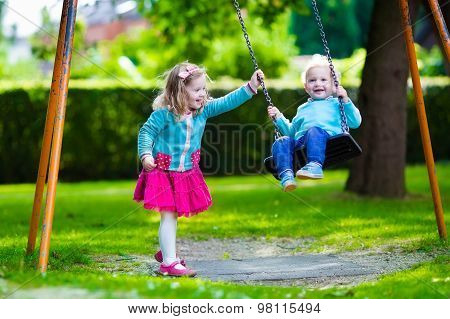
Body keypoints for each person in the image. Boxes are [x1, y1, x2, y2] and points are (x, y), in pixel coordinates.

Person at [134, 61, 264, 276]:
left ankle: (167, 253)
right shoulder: (163, 115)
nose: (203, 94)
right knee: (169, 215)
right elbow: (146, 133)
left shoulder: (201, 112)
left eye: (204, 88)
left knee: (171, 216)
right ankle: (168, 262)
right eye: (197, 90)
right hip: (163, 173)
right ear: (178, 91)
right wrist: (146, 154)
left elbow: (227, 102)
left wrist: (250, 87)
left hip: (186, 173)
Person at [267, 54, 361, 191]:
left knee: (314, 130)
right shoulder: (302, 109)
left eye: (323, 80)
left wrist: (346, 100)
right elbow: (291, 133)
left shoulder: (337, 103)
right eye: (312, 80)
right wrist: (278, 118)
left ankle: (315, 165)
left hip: (329, 140)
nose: (318, 83)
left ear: (335, 86)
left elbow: (356, 122)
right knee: (282, 141)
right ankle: (286, 176)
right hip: (302, 143)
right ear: (306, 87)